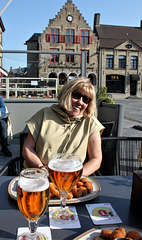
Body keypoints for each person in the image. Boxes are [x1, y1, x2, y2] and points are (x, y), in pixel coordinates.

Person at [23, 78, 104, 176]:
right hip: (39, 175)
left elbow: (96, 159)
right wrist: (41, 168)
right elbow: (27, 148)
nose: (80, 102)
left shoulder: (91, 123)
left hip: (72, 179)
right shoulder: (44, 114)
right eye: (76, 96)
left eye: (86, 99)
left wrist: (76, 176)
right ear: (66, 94)